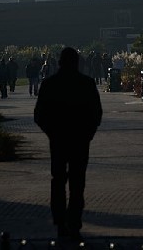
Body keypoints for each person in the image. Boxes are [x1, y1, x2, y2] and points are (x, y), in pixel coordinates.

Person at [34, 47, 103, 242]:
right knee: (77, 183)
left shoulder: (49, 85)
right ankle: (74, 222)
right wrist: (88, 134)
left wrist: (52, 133)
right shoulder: (87, 84)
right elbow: (96, 113)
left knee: (57, 181)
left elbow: (39, 115)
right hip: (80, 140)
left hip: (58, 140)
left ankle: (59, 221)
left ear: (59, 62)